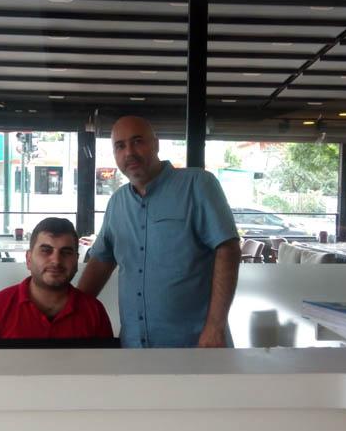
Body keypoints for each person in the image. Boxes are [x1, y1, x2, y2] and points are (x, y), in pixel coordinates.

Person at [78, 116, 241, 348]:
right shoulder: (117, 202)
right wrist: (70, 309)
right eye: (120, 146)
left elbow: (228, 249)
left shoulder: (197, 185)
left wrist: (215, 327)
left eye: (137, 141)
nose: (129, 152)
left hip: (195, 345)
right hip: (134, 346)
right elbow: (101, 261)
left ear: (156, 144)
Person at [0, 217, 113, 340]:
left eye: (66, 252)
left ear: (76, 260)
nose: (56, 260)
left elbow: (106, 366)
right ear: (28, 259)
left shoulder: (95, 312)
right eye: (46, 251)